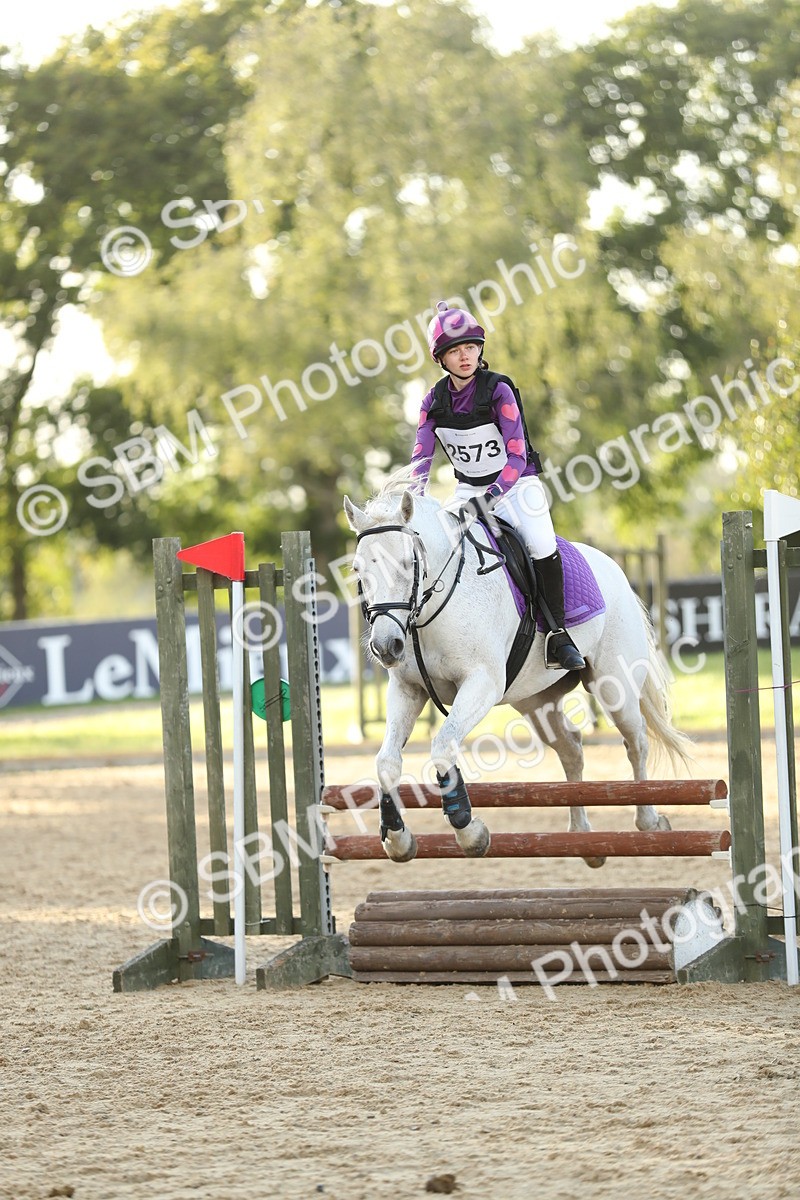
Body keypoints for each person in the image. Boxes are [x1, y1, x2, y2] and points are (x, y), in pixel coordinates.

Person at [410, 300, 586, 672]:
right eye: (455, 351)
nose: (465, 356)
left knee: (540, 543)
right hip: (467, 490)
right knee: (438, 544)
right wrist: (411, 502)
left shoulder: (498, 390)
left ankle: (557, 634)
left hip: (516, 486)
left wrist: (489, 498)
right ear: (441, 358)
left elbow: (517, 456)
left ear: (480, 349)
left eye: (470, 347)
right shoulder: (432, 402)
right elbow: (421, 463)